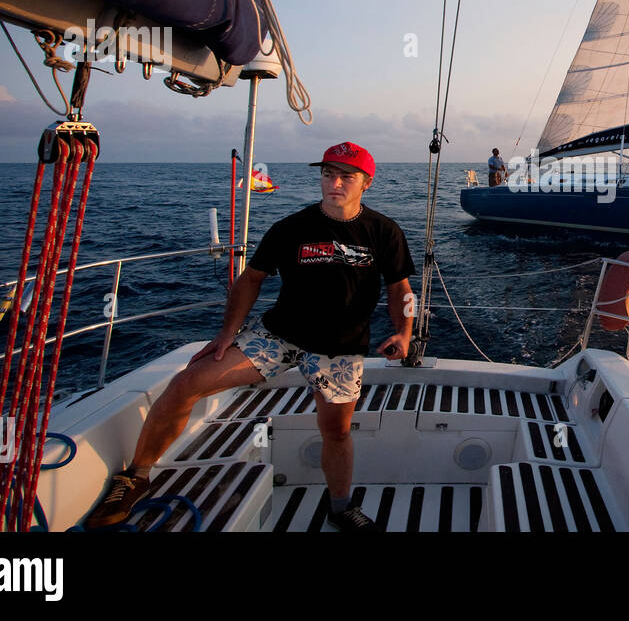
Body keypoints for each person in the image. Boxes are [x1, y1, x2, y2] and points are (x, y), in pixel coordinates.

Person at [84, 141, 415, 532]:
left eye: (346, 176)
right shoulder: (291, 228)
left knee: (337, 432)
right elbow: (250, 280)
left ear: (366, 184)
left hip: (339, 348)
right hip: (278, 336)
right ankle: (136, 476)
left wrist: (404, 332)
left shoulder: (383, 232)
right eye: (328, 174)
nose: (335, 183)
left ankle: (340, 507)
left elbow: (400, 289)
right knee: (186, 383)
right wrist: (227, 334)